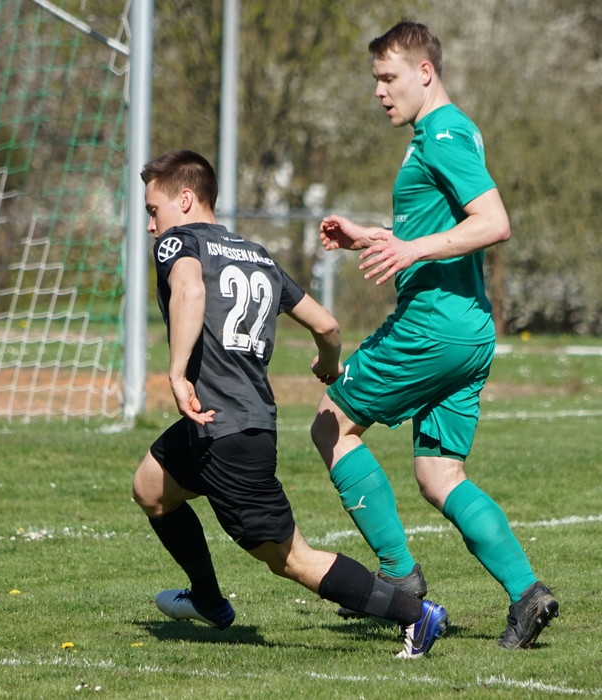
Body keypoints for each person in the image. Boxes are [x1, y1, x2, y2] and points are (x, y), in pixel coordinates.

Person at [132, 149, 448, 659]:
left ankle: (416, 615)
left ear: (185, 200)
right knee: (150, 488)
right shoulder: (256, 254)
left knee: (292, 559)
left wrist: (176, 372)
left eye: (154, 210)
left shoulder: (178, 242)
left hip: (226, 431)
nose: (151, 225)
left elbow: (189, 291)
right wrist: (330, 364)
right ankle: (209, 601)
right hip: (235, 422)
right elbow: (328, 325)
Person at [309, 21, 558, 649]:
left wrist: (411, 250)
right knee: (439, 473)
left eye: (388, 78)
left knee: (330, 424)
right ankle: (527, 593)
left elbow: (493, 222)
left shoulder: (442, 135)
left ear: (425, 72)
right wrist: (371, 237)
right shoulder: (453, 130)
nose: (379, 91)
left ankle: (399, 577)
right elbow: (437, 225)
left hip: (433, 326)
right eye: (375, 80)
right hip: (469, 329)